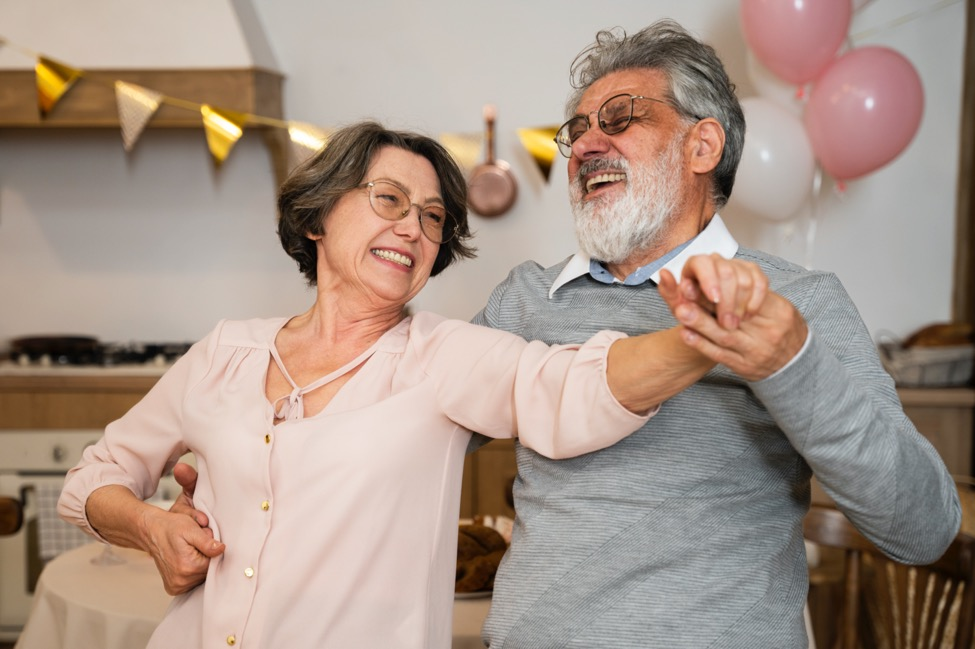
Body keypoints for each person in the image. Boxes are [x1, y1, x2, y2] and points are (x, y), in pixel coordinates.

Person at [56, 120, 768, 649]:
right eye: (389, 199)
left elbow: (568, 387)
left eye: (433, 217)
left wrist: (696, 337)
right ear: (318, 215)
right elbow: (96, 476)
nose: (415, 228)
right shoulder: (225, 351)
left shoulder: (441, 359)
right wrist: (151, 526)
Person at [466, 20, 962, 648]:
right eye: (577, 130)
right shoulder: (526, 298)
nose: (587, 144)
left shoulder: (798, 301)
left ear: (702, 147)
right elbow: (419, 428)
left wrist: (791, 363)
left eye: (619, 118)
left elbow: (922, 530)